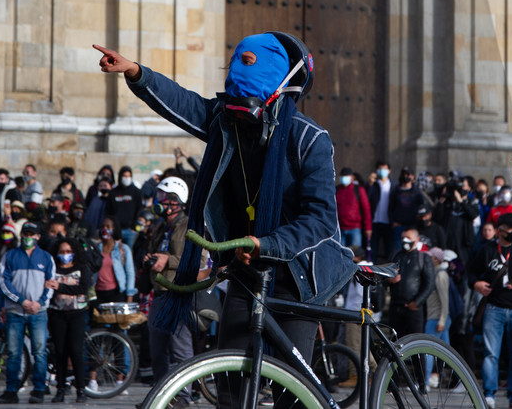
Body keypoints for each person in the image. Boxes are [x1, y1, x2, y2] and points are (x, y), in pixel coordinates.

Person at [93, 33, 354, 388]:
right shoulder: (224, 122)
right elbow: (184, 103)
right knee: (231, 379)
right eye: (234, 63)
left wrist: (267, 244)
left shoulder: (310, 140)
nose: (235, 72)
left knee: (290, 388)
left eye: (248, 63)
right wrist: (136, 72)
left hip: (299, 275)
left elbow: (321, 220)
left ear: (280, 76)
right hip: (246, 267)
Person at [142, 176, 202, 386]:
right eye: (159, 196)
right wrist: (151, 258)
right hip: (159, 293)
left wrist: (168, 260)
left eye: (164, 197)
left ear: (177, 200)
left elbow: (199, 258)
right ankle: (159, 393)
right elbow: (156, 253)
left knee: (180, 349)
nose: (160, 202)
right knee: (157, 350)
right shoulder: (160, 227)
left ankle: (183, 395)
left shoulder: (188, 225)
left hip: (177, 294)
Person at [469, 213, 512, 408]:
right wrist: (476, 284)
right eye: (508, 228)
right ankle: (489, 393)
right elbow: (469, 272)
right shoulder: (487, 250)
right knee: (490, 354)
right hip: (494, 307)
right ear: (499, 230)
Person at [0, 221, 55, 404]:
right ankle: (11, 390)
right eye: (26, 234)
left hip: (38, 311)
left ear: (38, 237)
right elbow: (3, 281)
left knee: (39, 352)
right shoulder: (10, 256)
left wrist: (40, 302)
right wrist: (22, 301)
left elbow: (51, 283)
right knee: (14, 353)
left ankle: (39, 389)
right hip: (16, 311)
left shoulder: (46, 258)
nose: (28, 237)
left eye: (32, 234)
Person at [46, 238, 93, 404]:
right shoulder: (53, 268)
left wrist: (60, 287)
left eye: (68, 251)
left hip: (77, 313)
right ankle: (60, 388)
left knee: (75, 350)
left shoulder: (82, 268)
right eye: (61, 252)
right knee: (60, 352)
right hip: (57, 314)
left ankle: (81, 388)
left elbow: (82, 289)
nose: (65, 255)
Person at [388, 229, 435, 337]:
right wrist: (390, 280)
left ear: (416, 239)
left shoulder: (423, 258)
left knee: (416, 343)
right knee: (396, 341)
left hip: (413, 309)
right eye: (403, 238)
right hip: (396, 307)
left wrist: (417, 302)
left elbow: (430, 284)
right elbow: (385, 279)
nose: (405, 241)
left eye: (408, 238)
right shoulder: (396, 256)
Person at [424, 247, 451, 389]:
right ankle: (435, 377)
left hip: (437, 318)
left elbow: (444, 300)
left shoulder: (440, 275)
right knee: (447, 352)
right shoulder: (435, 273)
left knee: (428, 350)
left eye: (431, 257)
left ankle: (425, 382)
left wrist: (442, 320)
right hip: (437, 318)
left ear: (436, 259)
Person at [95, 217, 137, 304]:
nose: (104, 229)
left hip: (116, 294)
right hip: (97, 293)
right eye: (103, 226)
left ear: (114, 229)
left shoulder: (123, 249)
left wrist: (129, 296)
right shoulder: (95, 249)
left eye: (108, 226)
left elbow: (130, 273)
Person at [335, 168, 371, 248]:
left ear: (352, 177)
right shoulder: (337, 190)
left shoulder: (358, 189)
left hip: (355, 228)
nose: (344, 178)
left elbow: (366, 209)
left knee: (355, 255)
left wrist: (368, 227)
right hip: (340, 229)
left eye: (346, 176)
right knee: (340, 256)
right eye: (342, 176)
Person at [369, 161, 395, 261]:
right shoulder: (374, 184)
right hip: (374, 221)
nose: (382, 171)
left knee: (389, 248)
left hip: (388, 221)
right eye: (380, 169)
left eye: (384, 169)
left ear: (389, 170)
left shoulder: (393, 185)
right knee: (373, 249)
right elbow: (367, 199)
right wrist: (371, 184)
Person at [111, 166, 141, 247]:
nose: (126, 178)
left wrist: (134, 226)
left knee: (128, 253)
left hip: (130, 230)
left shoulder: (136, 192)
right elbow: (109, 211)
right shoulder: (114, 192)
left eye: (128, 176)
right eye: (125, 176)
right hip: (116, 230)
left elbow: (139, 210)